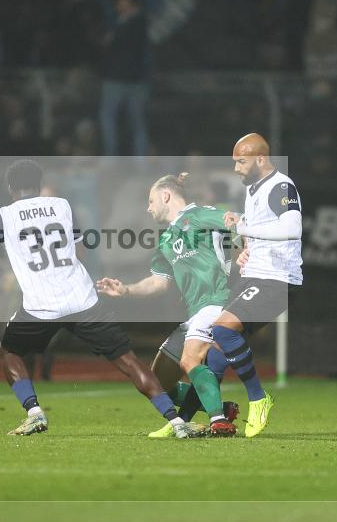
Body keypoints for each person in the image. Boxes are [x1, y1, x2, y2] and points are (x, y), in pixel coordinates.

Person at [0, 159, 205, 438]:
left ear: (10, 187)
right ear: (39, 185)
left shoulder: (3, 216)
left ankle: (34, 413)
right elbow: (80, 252)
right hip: (82, 298)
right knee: (128, 360)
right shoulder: (62, 205)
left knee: (9, 351)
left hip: (41, 305)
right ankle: (176, 422)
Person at [96, 172, 239, 437]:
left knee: (189, 359)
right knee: (158, 380)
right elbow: (158, 283)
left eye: (150, 200)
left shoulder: (200, 214)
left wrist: (245, 250)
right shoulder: (165, 240)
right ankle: (221, 406)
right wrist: (125, 289)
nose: (147, 207)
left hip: (218, 301)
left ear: (165, 195)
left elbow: (238, 222)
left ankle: (219, 421)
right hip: (195, 311)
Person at [215, 133, 304, 438]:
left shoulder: (281, 185)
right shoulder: (254, 189)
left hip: (277, 279)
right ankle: (189, 418)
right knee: (215, 351)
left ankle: (257, 397)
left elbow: (292, 227)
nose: (236, 167)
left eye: (241, 161)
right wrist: (245, 251)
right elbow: (261, 230)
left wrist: (245, 226)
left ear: (261, 159)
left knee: (223, 330)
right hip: (257, 275)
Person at [99, 0, 150, 156]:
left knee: (109, 118)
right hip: (136, 79)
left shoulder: (132, 22)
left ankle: (112, 158)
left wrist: (111, 40)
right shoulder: (137, 22)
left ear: (130, 3)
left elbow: (114, 45)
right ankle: (138, 161)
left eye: (122, 1)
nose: (119, 4)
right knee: (136, 124)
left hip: (119, 79)